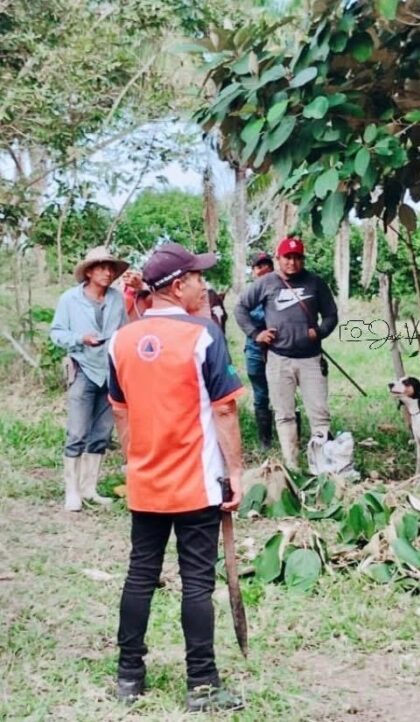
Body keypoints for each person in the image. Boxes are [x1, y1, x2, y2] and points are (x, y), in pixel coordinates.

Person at [107, 241, 245, 712]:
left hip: (144, 481)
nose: (203, 284)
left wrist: (138, 462)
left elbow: (120, 413)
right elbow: (225, 411)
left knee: (140, 575)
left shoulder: (122, 339)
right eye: (198, 277)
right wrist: (237, 472)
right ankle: (202, 684)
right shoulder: (203, 334)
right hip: (195, 482)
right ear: (179, 284)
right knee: (197, 583)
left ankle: (129, 677)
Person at [234, 237, 338, 468]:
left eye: (297, 258)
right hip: (278, 359)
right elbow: (240, 308)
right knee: (284, 414)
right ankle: (292, 465)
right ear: (278, 259)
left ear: (302, 259)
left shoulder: (315, 283)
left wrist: (320, 332)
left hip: (311, 359)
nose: (292, 262)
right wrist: (256, 334)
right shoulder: (266, 283)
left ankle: (322, 466)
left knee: (319, 414)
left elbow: (331, 314)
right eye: (287, 257)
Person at [50, 246, 129, 511]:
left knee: (101, 433)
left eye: (110, 268)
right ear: (89, 271)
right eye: (102, 268)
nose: (107, 273)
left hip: (110, 371)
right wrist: (79, 338)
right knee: (77, 432)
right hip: (83, 368)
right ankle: (71, 491)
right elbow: (57, 333)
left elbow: (125, 332)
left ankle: (89, 488)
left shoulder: (116, 299)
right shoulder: (70, 299)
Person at [243, 251, 275, 450]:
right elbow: (243, 315)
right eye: (258, 266)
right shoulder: (249, 293)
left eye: (266, 265)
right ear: (253, 271)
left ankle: (290, 435)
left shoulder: (281, 288)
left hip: (280, 349)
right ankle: (265, 441)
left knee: (285, 393)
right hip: (255, 349)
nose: (263, 269)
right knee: (261, 394)